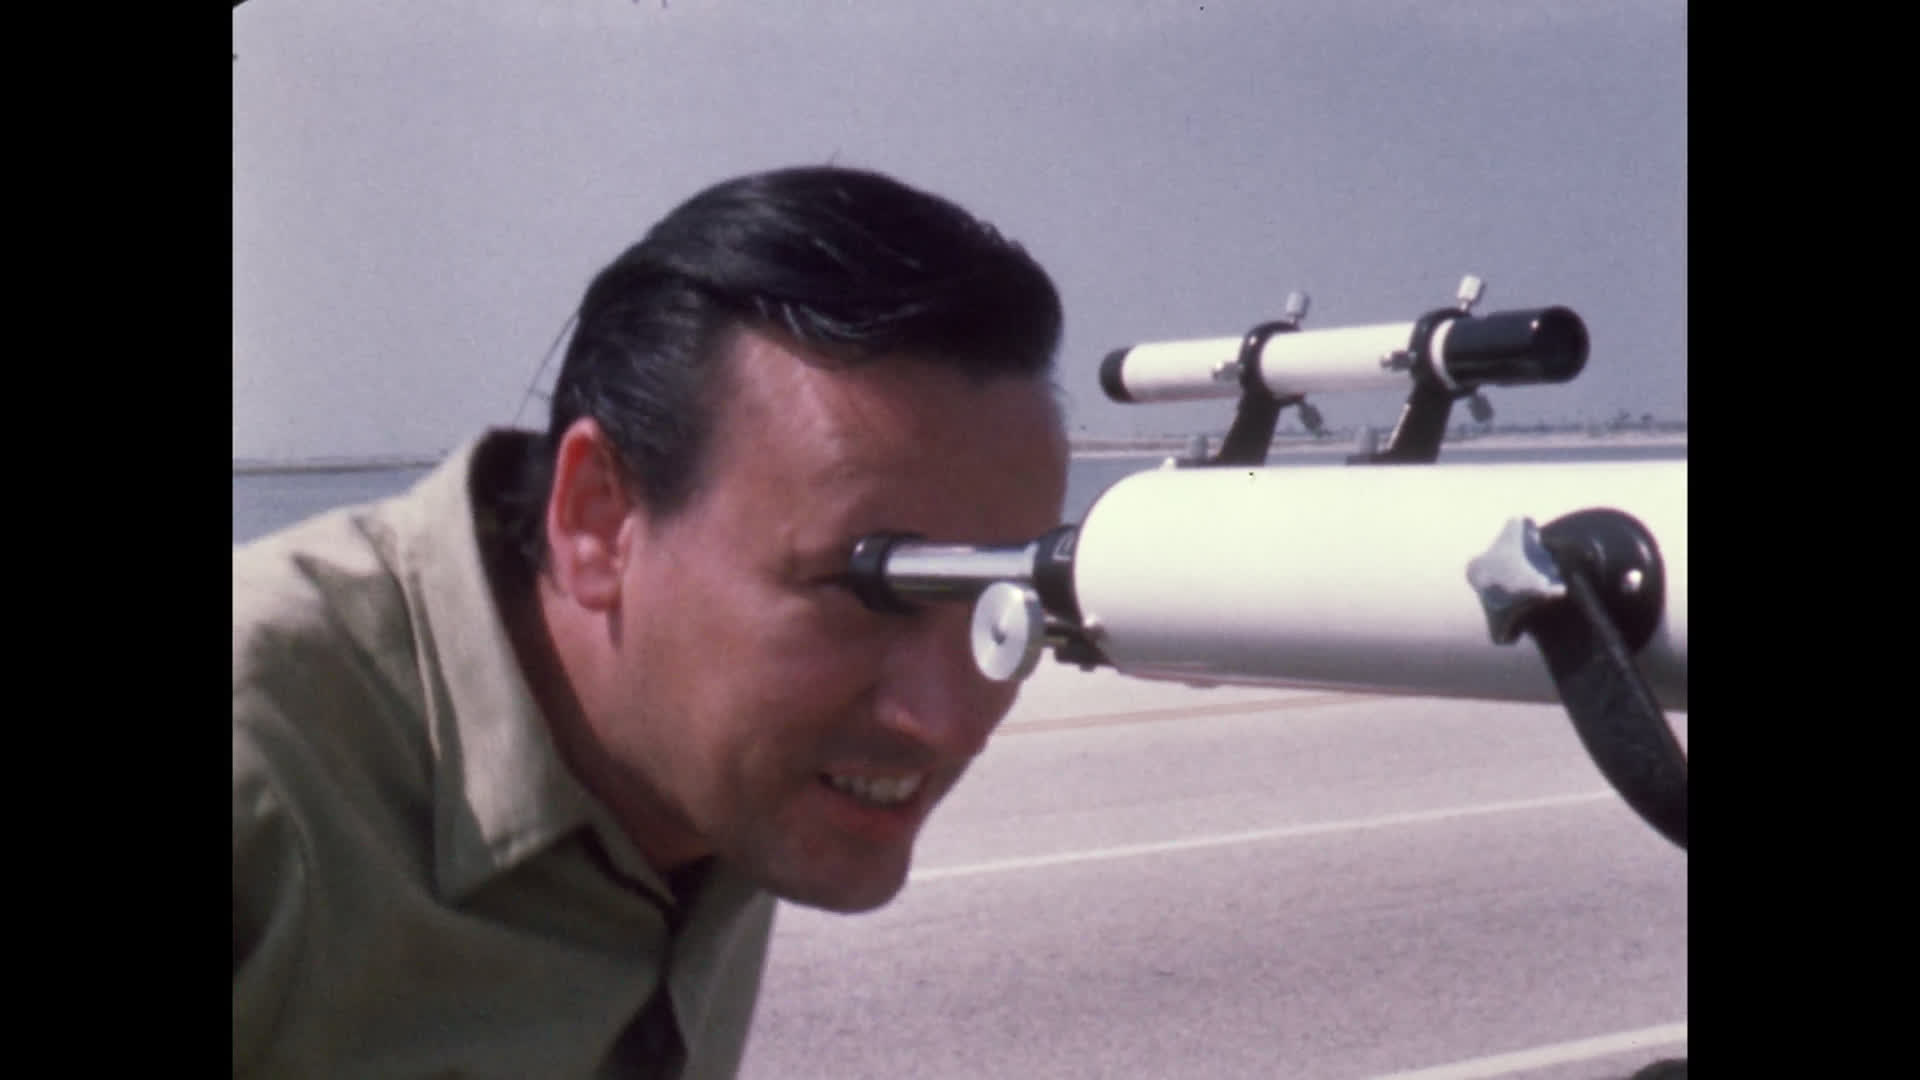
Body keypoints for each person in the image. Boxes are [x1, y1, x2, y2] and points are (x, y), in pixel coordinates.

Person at [232, 165, 1071, 1078]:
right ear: (598, 520)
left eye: (998, 600)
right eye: (867, 589)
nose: (948, 719)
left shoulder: (725, 771)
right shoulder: (265, 779)